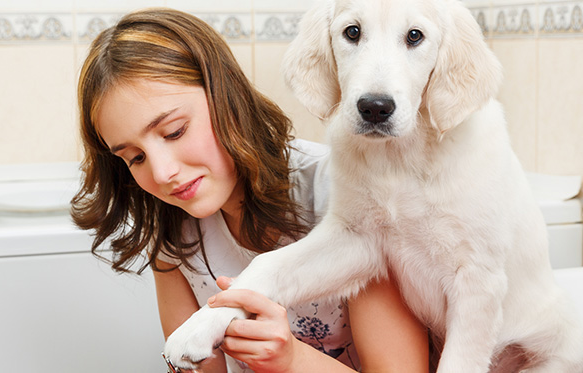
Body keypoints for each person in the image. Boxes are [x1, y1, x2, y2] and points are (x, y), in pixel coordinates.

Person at [71, 8, 431, 373]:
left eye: (175, 131)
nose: (163, 173)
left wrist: (292, 360)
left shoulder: (346, 197)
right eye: (134, 158)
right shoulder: (174, 232)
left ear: (227, 97)